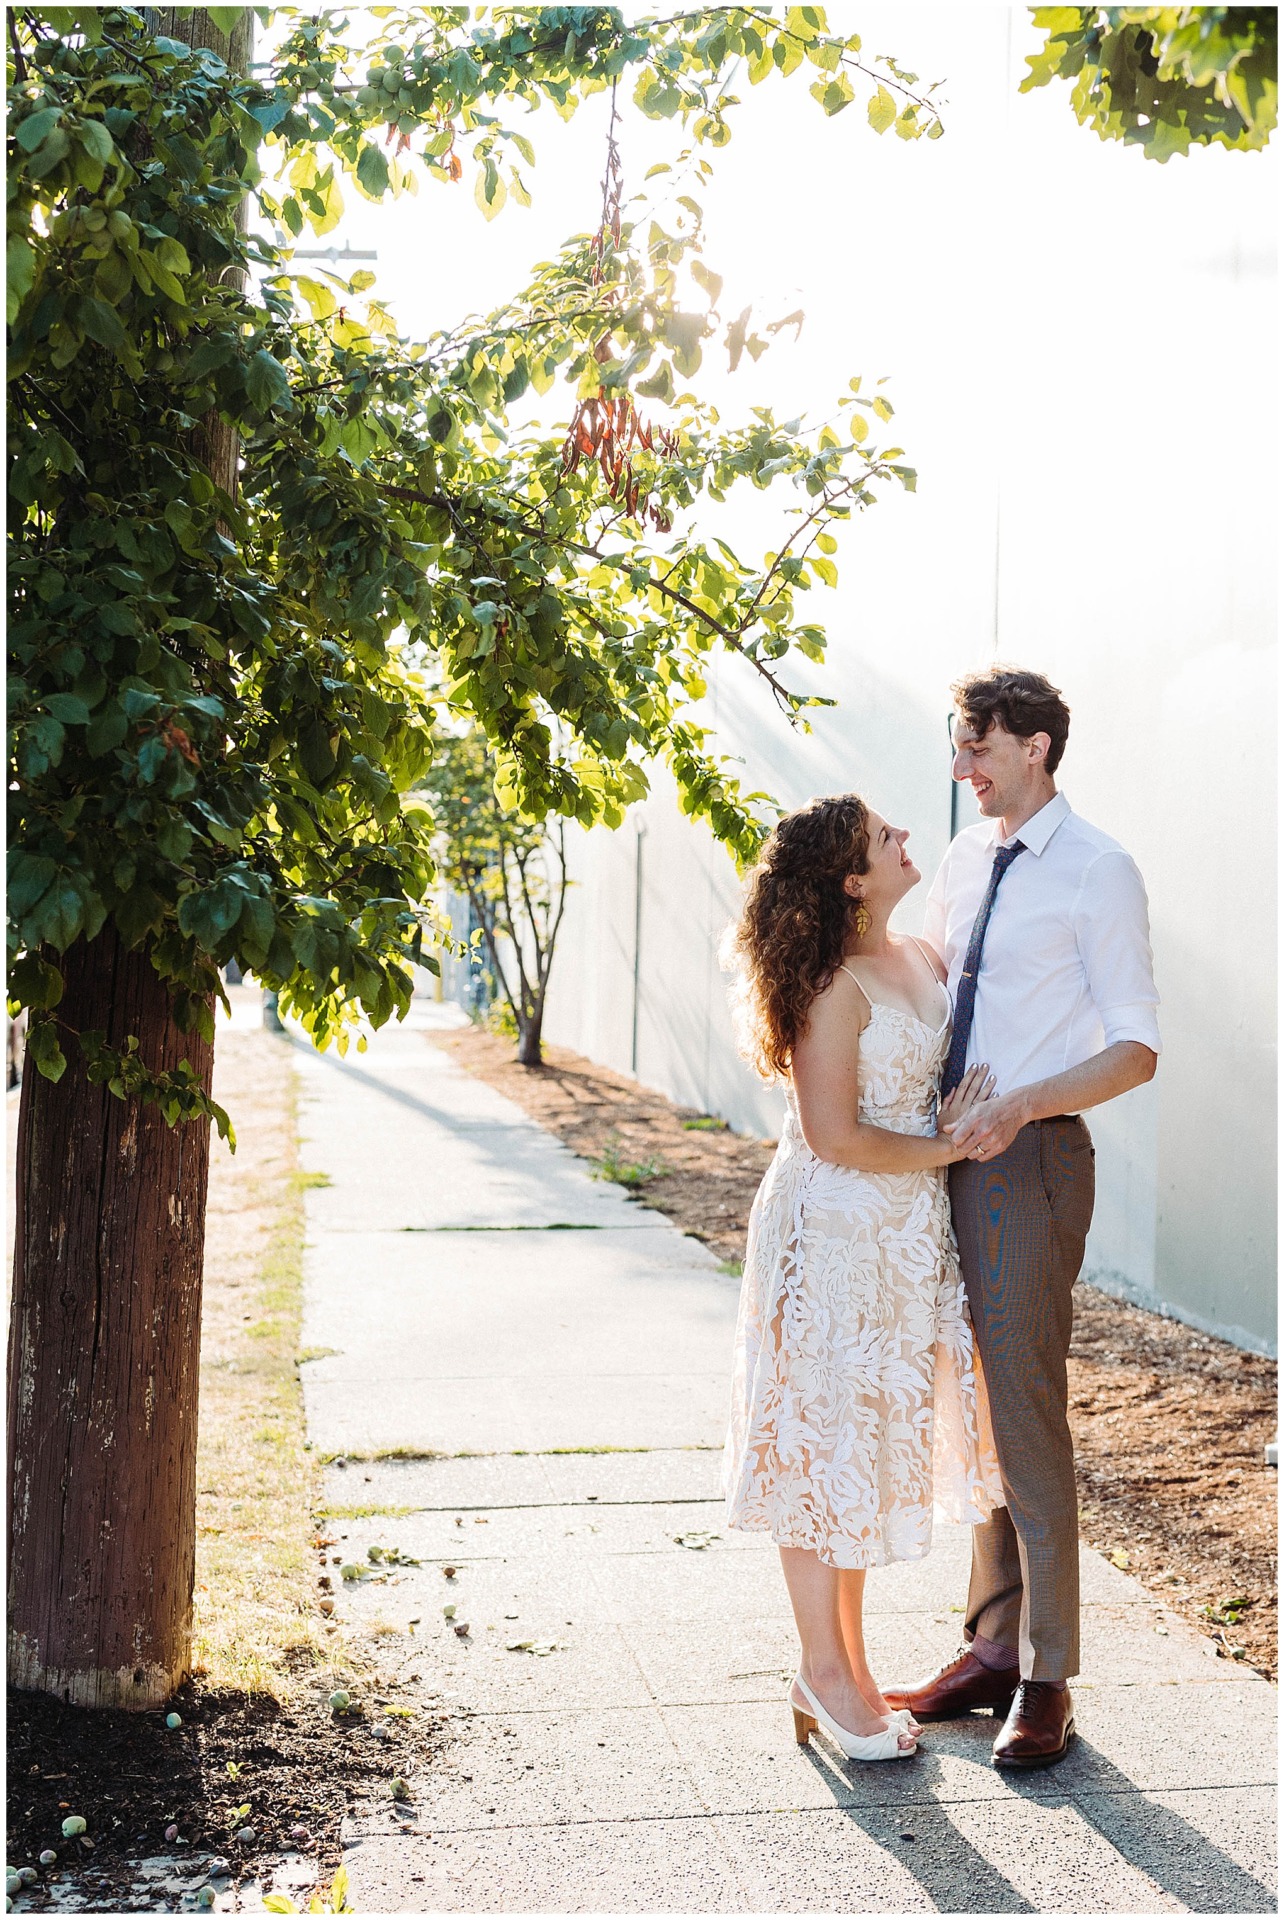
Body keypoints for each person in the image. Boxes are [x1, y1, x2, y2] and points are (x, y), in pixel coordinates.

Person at [884, 667, 1160, 1770]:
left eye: (978, 748)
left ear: (1036, 747)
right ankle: (992, 1645)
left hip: (1032, 1165)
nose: (961, 767)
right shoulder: (964, 856)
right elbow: (933, 976)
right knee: (978, 1406)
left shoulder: (1100, 871)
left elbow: (1136, 1049)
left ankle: (1048, 1674)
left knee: (1026, 1409)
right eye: (960, 747)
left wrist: (1022, 1103)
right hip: (943, 1158)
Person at [722, 793, 1005, 1764]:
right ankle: (822, 1670)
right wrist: (951, 1145)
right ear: (851, 878)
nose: (906, 839)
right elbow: (836, 1136)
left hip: (903, 1233)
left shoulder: (919, 956)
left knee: (861, 1449)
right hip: (832, 1231)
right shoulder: (829, 982)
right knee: (816, 1445)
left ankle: (842, 1661)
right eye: (887, 838)